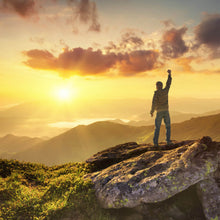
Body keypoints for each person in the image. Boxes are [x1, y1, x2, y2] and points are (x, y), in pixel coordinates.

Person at [150, 69, 172, 147]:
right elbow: (168, 83)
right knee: (168, 126)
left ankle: (155, 143)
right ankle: (168, 141)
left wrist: (152, 111)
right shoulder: (165, 91)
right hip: (166, 111)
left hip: (159, 111)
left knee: (157, 128)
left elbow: (154, 103)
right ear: (161, 86)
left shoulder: (156, 93)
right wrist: (169, 75)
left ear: (157, 86)